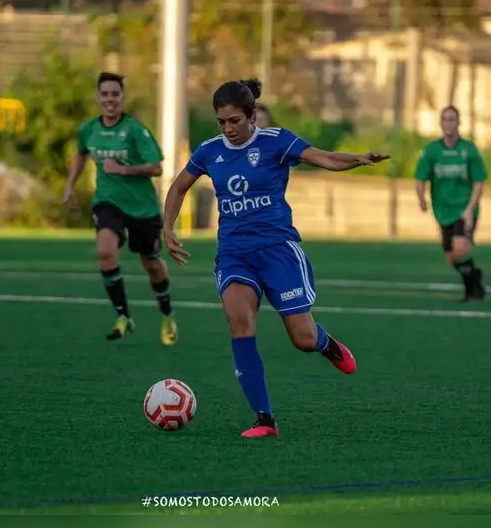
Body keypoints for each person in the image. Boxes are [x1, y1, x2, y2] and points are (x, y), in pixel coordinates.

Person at [161, 78, 389, 438]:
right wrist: (168, 228)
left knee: (302, 338)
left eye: (234, 120)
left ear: (252, 116)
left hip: (278, 251)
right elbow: (178, 187)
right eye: (221, 122)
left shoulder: (276, 142)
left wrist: (358, 159)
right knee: (239, 320)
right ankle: (264, 418)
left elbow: (324, 158)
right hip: (234, 253)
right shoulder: (209, 151)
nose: (227, 128)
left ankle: (325, 343)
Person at [62, 72, 178, 345]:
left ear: (122, 98)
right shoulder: (88, 129)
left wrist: (124, 169)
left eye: (115, 94)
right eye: (105, 94)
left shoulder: (136, 131)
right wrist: (69, 185)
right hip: (108, 201)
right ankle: (123, 316)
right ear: (97, 97)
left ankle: (167, 313)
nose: (110, 99)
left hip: (142, 208)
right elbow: (81, 153)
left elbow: (157, 167)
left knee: (152, 265)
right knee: (105, 251)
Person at [414, 105, 488, 302]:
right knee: (451, 255)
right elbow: (420, 178)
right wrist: (421, 198)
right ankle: (474, 278)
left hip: (463, 209)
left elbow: (479, 182)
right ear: (441, 123)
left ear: (458, 123)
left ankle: (471, 290)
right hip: (442, 210)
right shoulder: (431, 151)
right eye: (445, 119)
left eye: (452, 119)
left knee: (460, 248)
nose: (448, 123)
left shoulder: (469, 151)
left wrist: (470, 210)